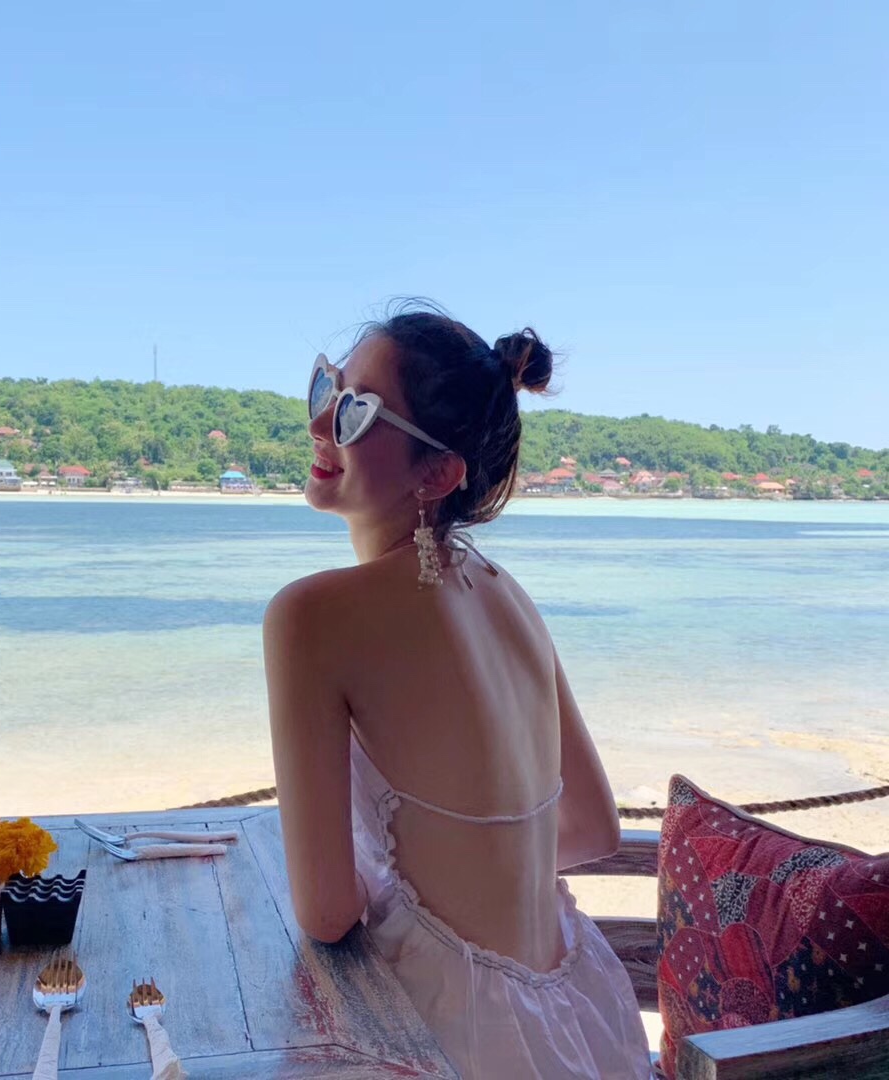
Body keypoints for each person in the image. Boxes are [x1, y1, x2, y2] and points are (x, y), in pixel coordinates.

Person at [263, 305, 652, 1079]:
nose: (321, 426)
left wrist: (411, 890)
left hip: (442, 1034)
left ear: (437, 473)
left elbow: (327, 913)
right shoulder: (510, 595)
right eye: (327, 390)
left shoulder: (309, 616)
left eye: (356, 412)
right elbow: (593, 825)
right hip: (575, 1014)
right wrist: (472, 875)